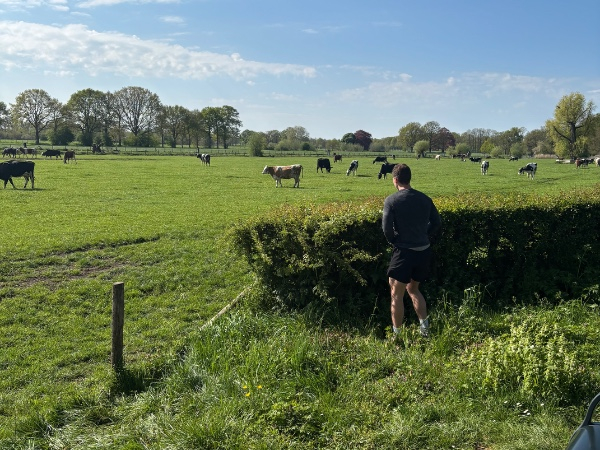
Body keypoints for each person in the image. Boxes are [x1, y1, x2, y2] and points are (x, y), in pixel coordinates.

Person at [382, 163, 441, 337]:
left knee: (396, 294)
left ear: (395, 180)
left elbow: (386, 229)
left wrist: (395, 241)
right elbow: (437, 222)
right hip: (423, 251)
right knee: (414, 289)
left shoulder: (391, 200)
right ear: (409, 178)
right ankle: (425, 330)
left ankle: (397, 336)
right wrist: (424, 234)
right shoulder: (425, 199)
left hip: (404, 252)